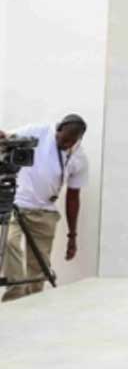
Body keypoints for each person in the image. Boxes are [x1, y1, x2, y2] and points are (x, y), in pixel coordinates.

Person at [0, 114, 88, 302]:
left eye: (72, 142)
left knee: (39, 265)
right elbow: (7, 139)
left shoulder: (79, 158)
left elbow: (73, 198)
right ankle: (15, 295)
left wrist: (72, 236)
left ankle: (35, 302)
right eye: (63, 140)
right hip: (17, 203)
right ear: (58, 129)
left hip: (45, 212)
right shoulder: (36, 131)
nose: (66, 145)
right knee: (7, 243)